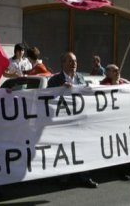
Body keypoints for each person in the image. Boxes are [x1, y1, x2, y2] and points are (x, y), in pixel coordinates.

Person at [47, 52, 98, 188]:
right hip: (63, 122)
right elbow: (47, 98)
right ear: (63, 64)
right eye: (70, 61)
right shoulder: (54, 80)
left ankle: (85, 177)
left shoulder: (81, 78)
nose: (74, 64)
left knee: (82, 148)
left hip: (80, 122)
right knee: (65, 149)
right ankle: (63, 178)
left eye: (75, 61)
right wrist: (60, 89)